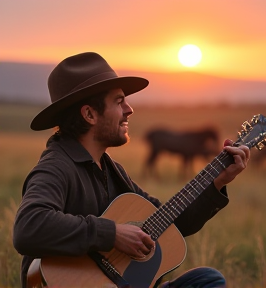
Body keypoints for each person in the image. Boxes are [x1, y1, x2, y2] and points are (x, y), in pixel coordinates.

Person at [13, 52, 250, 288]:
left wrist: (217, 182)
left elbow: (170, 226)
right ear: (89, 114)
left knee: (206, 280)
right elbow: (29, 227)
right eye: (118, 101)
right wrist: (113, 234)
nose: (129, 109)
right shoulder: (56, 167)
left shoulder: (112, 170)